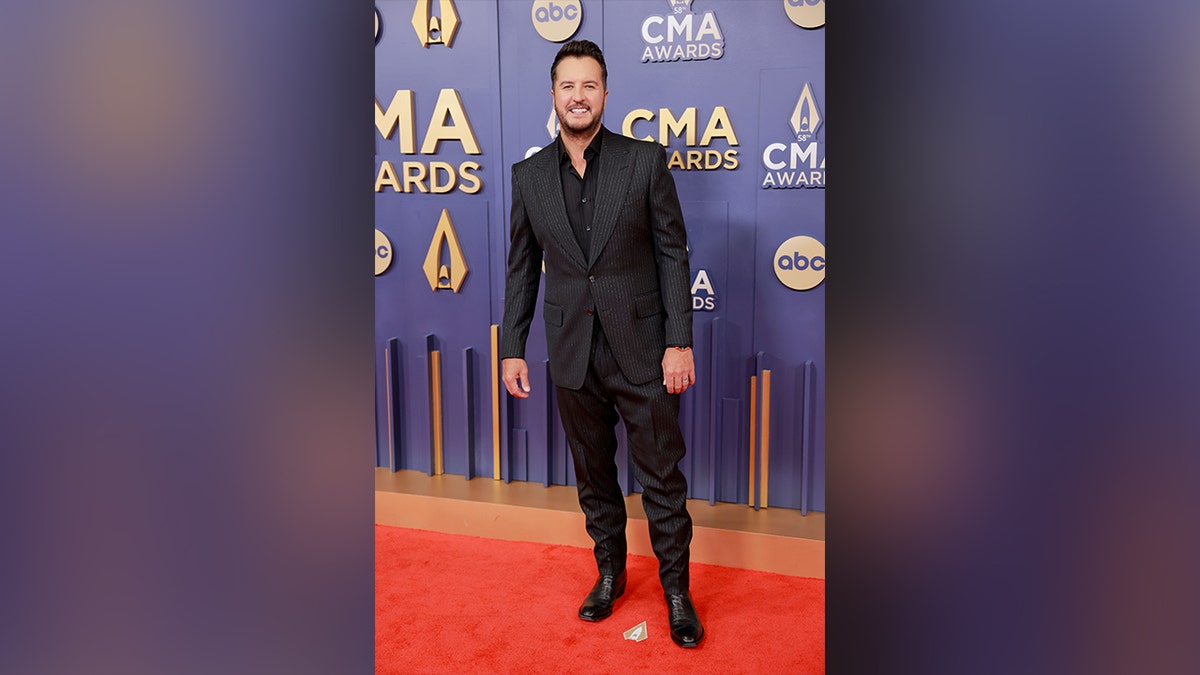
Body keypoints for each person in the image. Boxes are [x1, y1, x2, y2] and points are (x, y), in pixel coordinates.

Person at [500, 40, 703, 648]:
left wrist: (679, 342)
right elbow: (521, 268)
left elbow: (673, 252)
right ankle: (609, 574)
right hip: (570, 350)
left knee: (662, 478)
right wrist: (513, 345)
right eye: (568, 86)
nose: (579, 97)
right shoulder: (530, 175)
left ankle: (676, 590)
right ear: (554, 96)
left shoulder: (643, 162)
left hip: (643, 348)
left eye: (590, 86)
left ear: (606, 95)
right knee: (593, 477)